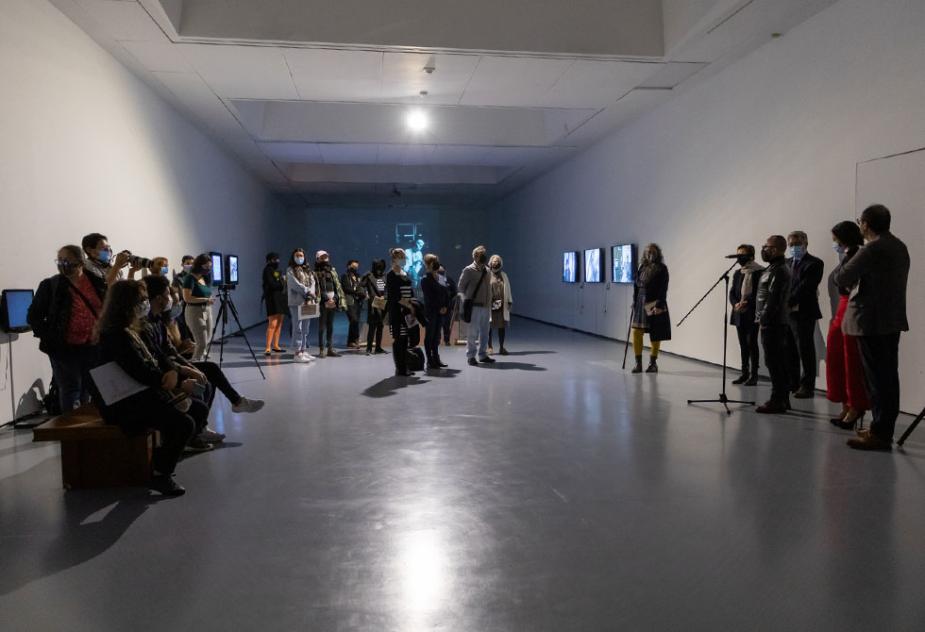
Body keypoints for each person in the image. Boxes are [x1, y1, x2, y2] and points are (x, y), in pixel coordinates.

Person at [94, 280, 196, 496]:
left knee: (192, 411)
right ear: (127, 304)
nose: (145, 303)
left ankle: (158, 463)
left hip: (136, 393)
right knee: (184, 424)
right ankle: (160, 473)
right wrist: (172, 381)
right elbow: (138, 370)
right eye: (141, 300)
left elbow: (154, 357)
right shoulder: (116, 335)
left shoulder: (130, 329)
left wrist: (173, 374)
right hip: (123, 402)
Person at [142, 275, 263, 444]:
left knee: (209, 370)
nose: (171, 299)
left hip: (172, 366)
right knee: (205, 377)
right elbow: (160, 356)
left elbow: (170, 350)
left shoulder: (158, 321)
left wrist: (190, 367)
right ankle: (206, 424)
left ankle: (226, 409)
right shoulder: (146, 325)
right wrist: (185, 369)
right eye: (168, 294)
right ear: (158, 298)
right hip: (166, 372)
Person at [834, 204, 910, 451]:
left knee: (877, 380)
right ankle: (882, 427)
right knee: (887, 377)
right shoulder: (898, 245)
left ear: (866, 224)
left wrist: (849, 256)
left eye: (861, 222)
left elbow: (841, 277)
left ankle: (880, 434)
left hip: (871, 322)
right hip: (890, 320)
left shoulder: (872, 249)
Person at [28, 245, 107, 412]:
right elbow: (34, 316)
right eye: (60, 261)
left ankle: (84, 422)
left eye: (67, 261)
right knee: (70, 389)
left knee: (89, 387)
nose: (63, 265)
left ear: (80, 262)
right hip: (64, 348)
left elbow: (106, 307)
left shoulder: (96, 282)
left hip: (93, 346)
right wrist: (51, 337)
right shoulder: (51, 286)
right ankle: (70, 426)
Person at [826, 222, 869, 430]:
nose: (834, 243)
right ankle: (846, 403)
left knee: (850, 358)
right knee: (837, 357)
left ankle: (855, 405)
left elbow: (843, 280)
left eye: (835, 239)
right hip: (843, 306)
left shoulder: (859, 254)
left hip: (851, 306)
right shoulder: (848, 254)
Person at [755, 235, 793, 414]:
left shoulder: (779, 270)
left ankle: (777, 400)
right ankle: (783, 398)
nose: (763, 249)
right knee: (776, 361)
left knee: (774, 362)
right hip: (772, 321)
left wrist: (764, 319)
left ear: (775, 249)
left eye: (766, 246)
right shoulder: (773, 268)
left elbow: (774, 299)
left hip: (773, 322)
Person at [784, 231, 824, 398]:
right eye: (791, 245)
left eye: (798, 244)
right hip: (787, 313)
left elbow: (806, 286)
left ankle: (807, 386)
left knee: (805, 349)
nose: (794, 247)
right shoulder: (785, 262)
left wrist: (788, 302)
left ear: (806, 244)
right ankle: (792, 382)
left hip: (804, 312)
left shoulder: (814, 263)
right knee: (789, 349)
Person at [629, 244, 670, 374]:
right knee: (636, 332)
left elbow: (663, 289)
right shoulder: (642, 267)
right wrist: (634, 301)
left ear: (657, 253)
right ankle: (638, 363)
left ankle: (653, 363)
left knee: (655, 333)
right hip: (640, 302)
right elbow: (636, 286)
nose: (650, 254)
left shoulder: (662, 269)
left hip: (654, 302)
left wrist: (659, 305)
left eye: (652, 252)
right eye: (647, 252)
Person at [728, 245, 764, 385]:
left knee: (751, 343)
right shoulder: (738, 273)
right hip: (739, 312)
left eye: (742, 255)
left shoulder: (760, 271)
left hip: (752, 312)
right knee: (743, 344)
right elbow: (732, 292)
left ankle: (754, 375)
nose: (739, 258)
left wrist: (746, 303)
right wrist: (735, 304)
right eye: (738, 255)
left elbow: (761, 292)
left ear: (751, 256)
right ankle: (744, 373)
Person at [458, 245, 494, 366]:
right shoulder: (468, 270)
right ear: (475, 256)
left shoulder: (487, 270)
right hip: (474, 306)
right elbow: (461, 287)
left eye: (484, 254)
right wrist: (466, 302)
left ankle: (483, 354)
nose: (483, 256)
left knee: (485, 332)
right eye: (480, 254)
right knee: (472, 333)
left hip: (486, 306)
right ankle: (471, 356)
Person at [387, 248, 416, 377]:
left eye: (404, 257)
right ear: (394, 258)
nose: (403, 259)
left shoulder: (405, 272)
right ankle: (400, 368)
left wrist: (413, 305)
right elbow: (394, 296)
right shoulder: (391, 274)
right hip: (398, 311)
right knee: (399, 339)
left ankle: (405, 366)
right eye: (401, 257)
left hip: (407, 310)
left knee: (405, 339)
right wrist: (408, 305)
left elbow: (410, 290)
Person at [181, 254, 215, 362]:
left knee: (208, 337)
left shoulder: (204, 278)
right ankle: (195, 363)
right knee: (202, 343)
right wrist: (205, 300)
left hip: (207, 310)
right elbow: (187, 298)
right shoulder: (190, 278)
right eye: (206, 267)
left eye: (210, 267)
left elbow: (206, 293)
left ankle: (199, 360)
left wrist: (208, 299)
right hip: (194, 311)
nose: (208, 269)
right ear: (199, 265)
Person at [286, 249, 317, 362]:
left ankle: (303, 350)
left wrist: (311, 292)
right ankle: (297, 352)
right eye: (297, 255)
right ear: (293, 257)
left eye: (301, 255)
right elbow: (294, 284)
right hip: (296, 302)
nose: (300, 257)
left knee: (305, 328)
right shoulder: (290, 270)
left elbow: (313, 282)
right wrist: (307, 291)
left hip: (308, 301)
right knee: (297, 328)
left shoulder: (308, 270)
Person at [313, 251, 346, 358]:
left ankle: (330, 348)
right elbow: (317, 287)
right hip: (323, 302)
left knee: (330, 325)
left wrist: (335, 298)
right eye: (322, 257)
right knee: (322, 326)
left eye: (326, 257)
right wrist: (326, 299)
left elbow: (337, 286)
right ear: (317, 259)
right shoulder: (315, 273)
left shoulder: (332, 271)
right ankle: (322, 349)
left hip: (332, 302)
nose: (325, 259)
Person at [420, 254, 450, 369]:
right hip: (431, 312)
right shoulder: (425, 279)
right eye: (434, 261)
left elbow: (446, 293)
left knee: (437, 336)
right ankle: (429, 360)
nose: (436, 263)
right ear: (428, 264)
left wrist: (445, 306)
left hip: (441, 312)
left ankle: (436, 358)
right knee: (430, 336)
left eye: (437, 261)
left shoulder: (441, 277)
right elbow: (429, 298)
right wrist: (439, 308)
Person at [486, 254, 513, 355]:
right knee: (489, 326)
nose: (495, 262)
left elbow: (508, 288)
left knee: (502, 326)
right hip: (490, 305)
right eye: (494, 261)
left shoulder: (504, 275)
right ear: (490, 262)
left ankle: (501, 347)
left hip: (502, 305)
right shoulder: (487, 274)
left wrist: (509, 301)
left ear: (500, 263)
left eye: (497, 261)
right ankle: (489, 347)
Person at [262, 252, 287, 355]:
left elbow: (279, 282)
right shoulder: (267, 270)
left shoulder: (277, 271)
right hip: (272, 299)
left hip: (280, 298)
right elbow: (272, 284)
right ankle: (268, 347)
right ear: (269, 260)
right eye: (274, 259)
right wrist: (282, 283)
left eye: (277, 259)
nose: (277, 261)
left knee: (280, 322)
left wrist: (282, 281)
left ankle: (276, 345)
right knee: (272, 323)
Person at [363, 259, 388, 355]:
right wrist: (365, 294)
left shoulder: (385, 276)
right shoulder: (369, 276)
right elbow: (361, 285)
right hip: (374, 303)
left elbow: (388, 289)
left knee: (380, 326)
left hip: (382, 303)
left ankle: (378, 347)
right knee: (372, 327)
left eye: (380, 268)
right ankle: (369, 348)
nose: (379, 270)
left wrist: (384, 297)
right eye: (377, 268)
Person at [341, 259, 366, 349]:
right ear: (348, 266)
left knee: (354, 321)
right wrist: (357, 293)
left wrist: (363, 293)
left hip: (358, 302)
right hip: (349, 301)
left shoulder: (358, 276)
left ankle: (350, 342)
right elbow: (346, 288)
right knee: (354, 320)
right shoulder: (344, 276)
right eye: (353, 266)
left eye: (356, 267)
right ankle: (356, 340)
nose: (355, 268)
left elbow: (361, 286)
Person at [436, 265, 458, 345]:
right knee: (437, 324)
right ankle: (437, 340)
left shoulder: (449, 280)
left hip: (447, 307)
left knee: (446, 324)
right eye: (439, 271)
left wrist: (449, 299)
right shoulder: (434, 280)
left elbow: (455, 291)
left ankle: (447, 340)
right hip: (437, 307)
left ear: (445, 271)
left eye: (442, 272)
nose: (440, 273)